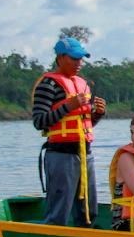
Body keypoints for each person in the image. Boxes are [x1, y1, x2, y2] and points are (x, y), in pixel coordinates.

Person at [32, 37, 107, 227]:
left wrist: (98, 113)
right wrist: (68, 105)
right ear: (60, 58)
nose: (79, 63)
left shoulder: (83, 84)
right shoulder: (48, 85)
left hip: (85, 155)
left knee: (88, 209)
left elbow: (85, 122)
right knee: (59, 210)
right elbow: (40, 122)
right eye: (74, 59)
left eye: (81, 59)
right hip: (60, 155)